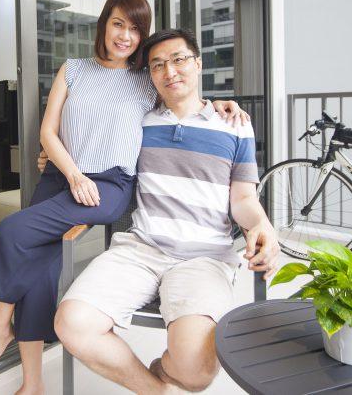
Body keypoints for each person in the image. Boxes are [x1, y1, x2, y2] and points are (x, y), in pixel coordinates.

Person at [0, 0, 247, 395]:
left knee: (12, 231)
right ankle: (33, 382)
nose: (125, 36)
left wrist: (222, 104)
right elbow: (48, 131)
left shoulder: (144, 79)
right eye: (118, 24)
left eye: (135, 29)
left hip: (109, 184)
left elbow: (182, 95)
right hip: (63, 176)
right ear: (104, 23)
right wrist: (72, 172)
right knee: (41, 269)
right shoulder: (74, 69)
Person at [54, 28, 280, 394]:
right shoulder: (138, 121)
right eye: (157, 65)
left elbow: (243, 200)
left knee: (197, 371)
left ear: (198, 63)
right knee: (71, 323)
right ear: (150, 75)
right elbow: (90, 143)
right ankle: (155, 389)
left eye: (178, 60)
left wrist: (263, 227)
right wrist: (53, 156)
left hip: (204, 257)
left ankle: (166, 373)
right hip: (139, 249)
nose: (169, 71)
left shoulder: (234, 125)